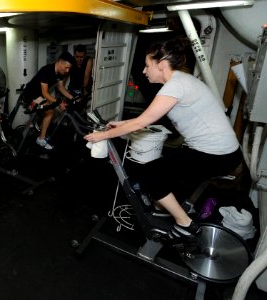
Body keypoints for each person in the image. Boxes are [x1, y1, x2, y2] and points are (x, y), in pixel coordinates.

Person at [84, 37, 242, 239]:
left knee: (150, 174)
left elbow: (142, 123)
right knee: (163, 168)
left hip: (217, 155)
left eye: (147, 65)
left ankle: (186, 225)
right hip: (223, 152)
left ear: (161, 65)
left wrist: (102, 136)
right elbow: (149, 117)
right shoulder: (182, 80)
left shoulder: (174, 86)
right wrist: (123, 124)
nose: (144, 71)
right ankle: (162, 206)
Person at [21, 51, 76, 150]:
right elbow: (46, 93)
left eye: (69, 68)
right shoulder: (46, 70)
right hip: (30, 95)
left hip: (40, 95)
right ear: (59, 62)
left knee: (50, 110)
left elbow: (61, 87)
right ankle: (41, 139)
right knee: (50, 112)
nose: (67, 70)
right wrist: (59, 103)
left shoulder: (60, 73)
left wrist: (73, 98)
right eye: (66, 67)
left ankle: (40, 128)